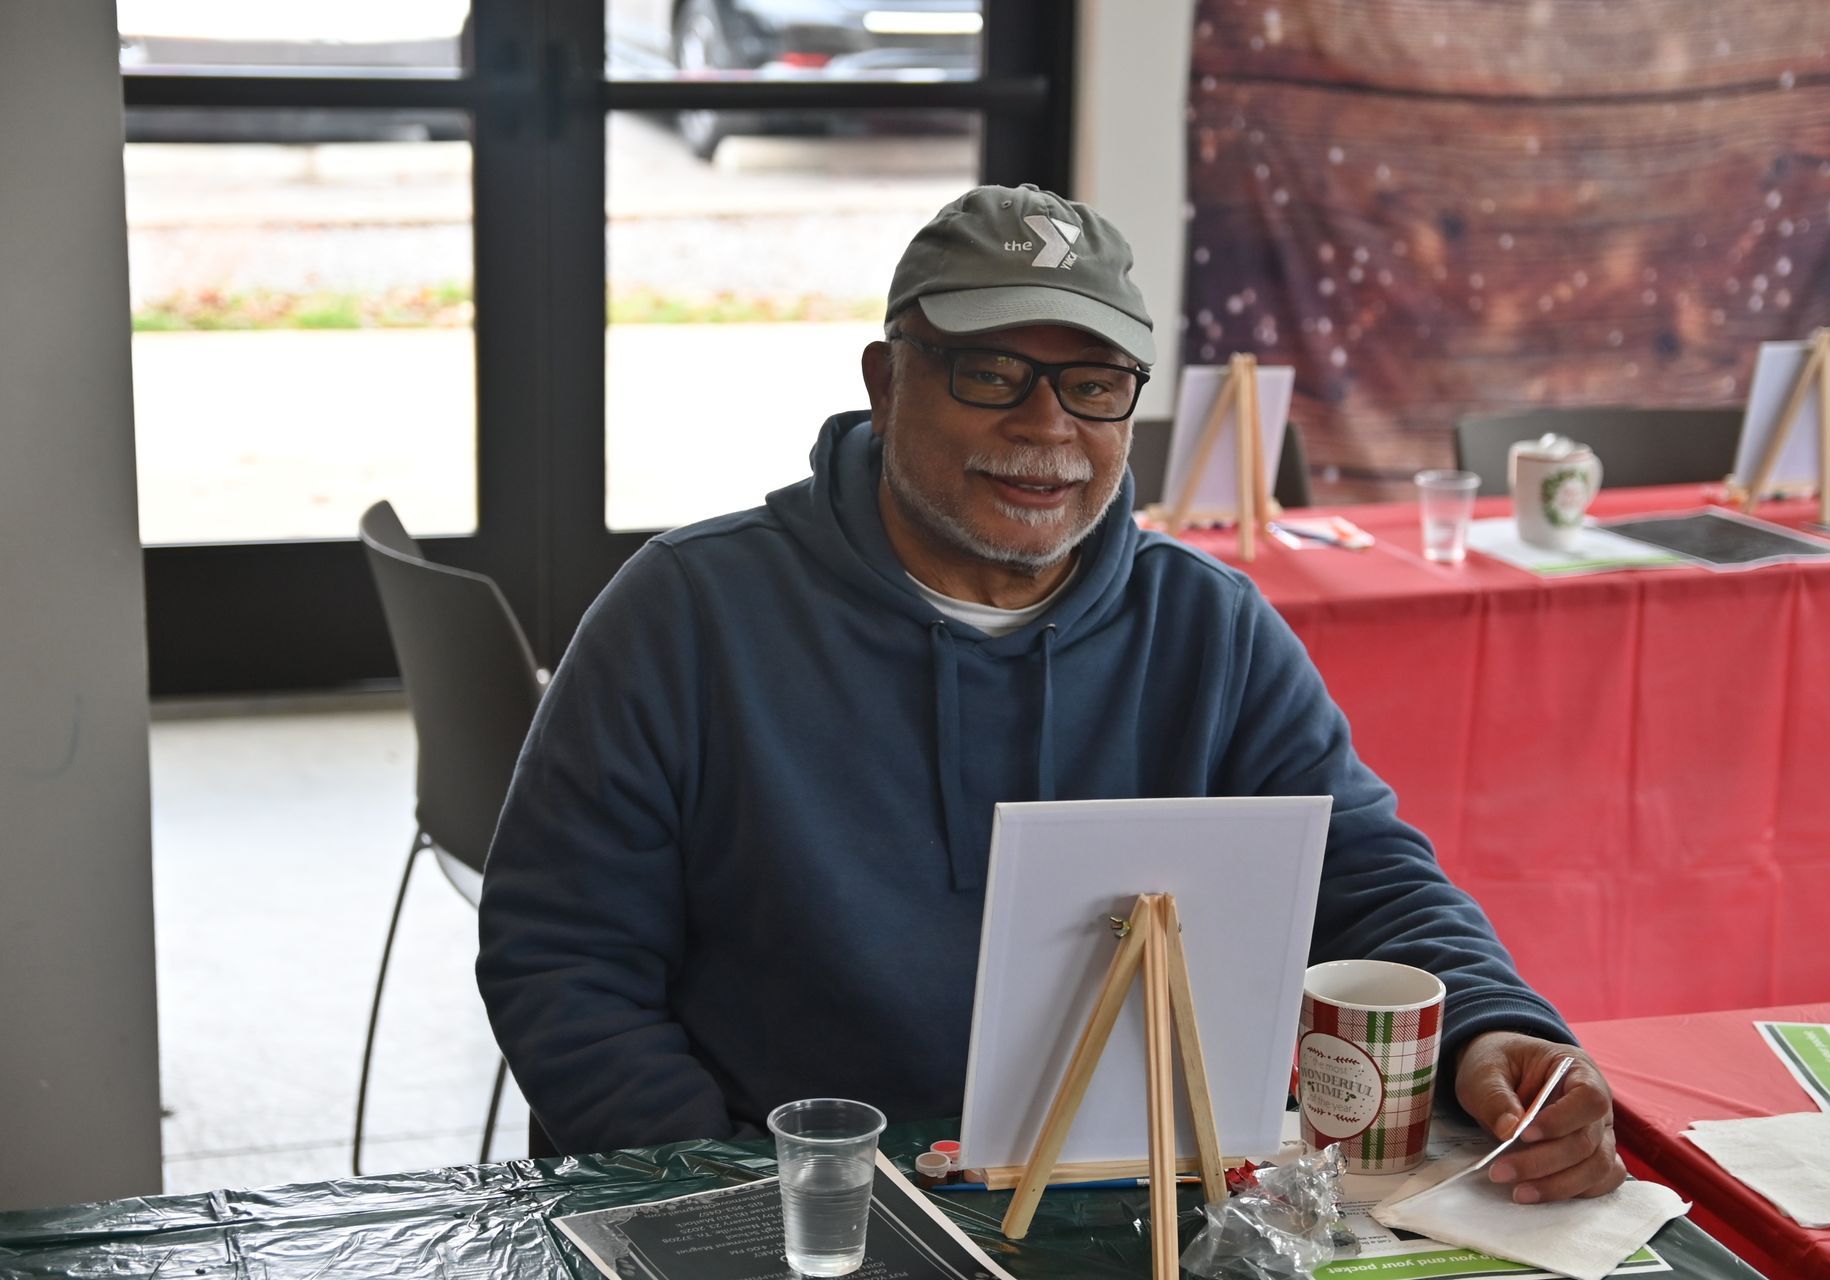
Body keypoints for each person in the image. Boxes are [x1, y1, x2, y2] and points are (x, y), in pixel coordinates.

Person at [477, 183, 1625, 1204]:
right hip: (794, 1201)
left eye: (1093, 384)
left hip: (1129, 1203)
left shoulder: (1209, 628)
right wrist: (732, 1196)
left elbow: (1369, 879)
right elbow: (562, 954)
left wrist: (1496, 1029)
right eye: (990, 373)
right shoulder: (687, 612)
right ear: (886, 380)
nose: (1046, 426)